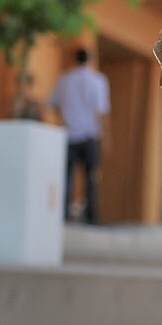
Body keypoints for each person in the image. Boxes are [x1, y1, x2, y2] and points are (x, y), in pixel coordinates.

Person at [48, 47, 111, 224]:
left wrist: (65, 116)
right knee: (91, 178)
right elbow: (102, 111)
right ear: (89, 59)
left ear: (74, 59)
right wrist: (106, 136)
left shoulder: (64, 79)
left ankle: (63, 216)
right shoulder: (98, 80)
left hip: (68, 134)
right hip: (90, 135)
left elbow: (53, 104)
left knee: (66, 176)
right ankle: (91, 216)